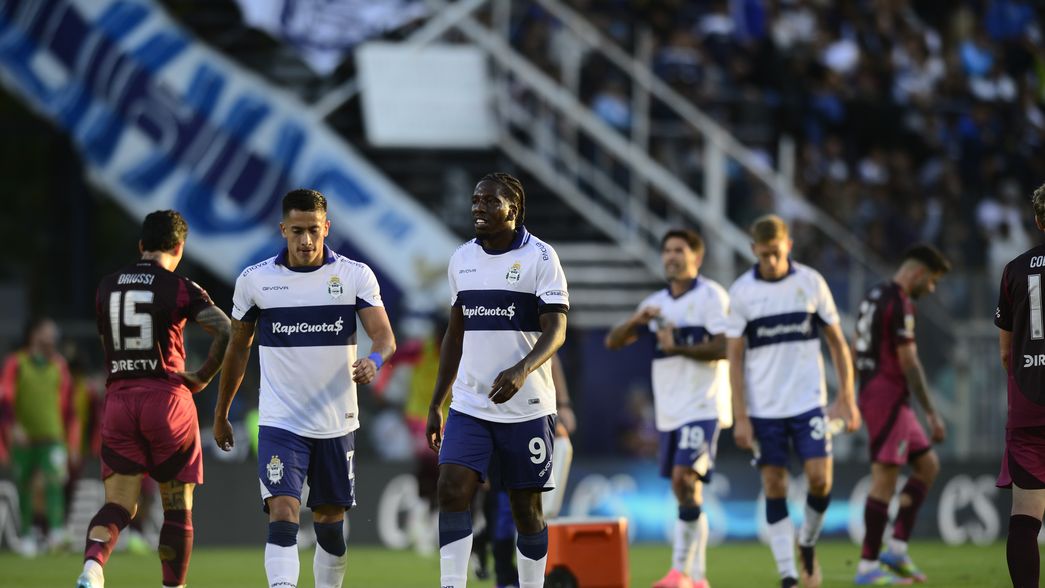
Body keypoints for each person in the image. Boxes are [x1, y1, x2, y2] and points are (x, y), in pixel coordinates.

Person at [214, 188, 396, 588]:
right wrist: (222, 412)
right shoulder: (255, 281)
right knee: (282, 510)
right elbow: (238, 351)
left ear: (326, 227)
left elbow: (384, 336)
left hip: (336, 421)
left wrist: (374, 361)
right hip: (281, 421)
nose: (306, 240)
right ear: (283, 229)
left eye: (314, 230)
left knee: (330, 523)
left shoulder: (353, 276)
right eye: (297, 231)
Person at [426, 172, 569, 588]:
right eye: (475, 200)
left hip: (526, 409)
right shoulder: (461, 259)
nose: (478, 208)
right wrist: (438, 401)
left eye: (490, 201)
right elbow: (455, 333)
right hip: (470, 404)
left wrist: (523, 368)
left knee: (525, 509)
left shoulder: (542, 258)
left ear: (514, 209)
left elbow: (556, 329)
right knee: (451, 488)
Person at [76, 210, 231, 588]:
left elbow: (106, 344)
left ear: (141, 246)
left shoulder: (107, 287)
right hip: (166, 401)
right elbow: (224, 329)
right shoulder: (179, 286)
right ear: (179, 247)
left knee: (118, 504)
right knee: (176, 507)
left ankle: (93, 568)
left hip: (119, 401)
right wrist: (201, 377)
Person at [725, 214, 860, 588]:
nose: (769, 261)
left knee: (820, 481)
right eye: (763, 254)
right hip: (764, 409)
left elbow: (837, 342)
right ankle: (787, 575)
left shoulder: (810, 283)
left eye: (775, 253)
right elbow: (734, 358)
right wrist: (741, 416)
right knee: (775, 485)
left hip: (808, 404)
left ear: (788, 246)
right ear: (753, 250)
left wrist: (847, 396)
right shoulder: (742, 293)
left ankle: (808, 543)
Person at [605, 229, 731, 588]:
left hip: (703, 405)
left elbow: (725, 347)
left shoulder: (711, 296)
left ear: (697, 258)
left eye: (679, 250)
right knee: (687, 492)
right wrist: (636, 322)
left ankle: (679, 573)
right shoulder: (657, 302)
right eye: (667, 251)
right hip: (671, 411)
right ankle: (700, 577)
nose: (671, 256)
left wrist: (677, 348)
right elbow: (612, 341)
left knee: (683, 478)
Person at [853, 244, 951, 585]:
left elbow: (858, 344)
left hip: (882, 393)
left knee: (928, 466)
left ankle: (895, 548)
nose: (932, 288)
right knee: (885, 479)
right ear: (919, 273)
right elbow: (909, 361)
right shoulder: (899, 302)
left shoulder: (873, 295)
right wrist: (932, 413)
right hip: (887, 396)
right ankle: (866, 567)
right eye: (933, 280)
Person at [995, 181, 1045, 588]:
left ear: (1037, 220)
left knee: (1025, 516)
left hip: (1029, 404)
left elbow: (1005, 354)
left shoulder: (1014, 269)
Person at [0, 317, 78, 555]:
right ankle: (26, 535)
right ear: (34, 334)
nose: (53, 337)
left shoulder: (60, 366)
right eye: (48, 332)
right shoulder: (17, 363)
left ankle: (55, 532)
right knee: (25, 486)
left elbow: (69, 409)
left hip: (53, 437)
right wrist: (13, 428)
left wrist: (72, 443)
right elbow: (5, 399)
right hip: (24, 437)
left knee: (54, 482)